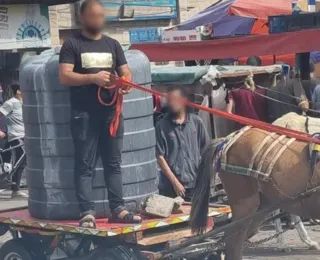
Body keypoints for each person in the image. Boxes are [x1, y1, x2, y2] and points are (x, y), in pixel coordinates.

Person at [59, 0, 141, 227]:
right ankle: (87, 212)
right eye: (93, 16)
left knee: (113, 163)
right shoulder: (72, 45)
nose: (98, 20)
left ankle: (118, 209)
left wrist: (126, 83)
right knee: (84, 165)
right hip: (84, 115)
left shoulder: (113, 44)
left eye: (100, 15)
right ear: (82, 17)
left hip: (111, 114)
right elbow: (64, 76)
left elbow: (126, 72)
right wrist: (92, 78)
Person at [156, 86, 210, 200]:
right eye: (169, 100)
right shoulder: (162, 126)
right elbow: (159, 157)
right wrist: (175, 182)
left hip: (195, 184)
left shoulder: (196, 122)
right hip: (171, 188)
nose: (172, 103)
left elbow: (206, 149)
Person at [0, 83, 26, 197]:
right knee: (20, 160)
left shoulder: (25, 103)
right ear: (18, 91)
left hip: (26, 136)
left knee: (24, 161)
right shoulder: (10, 103)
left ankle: (15, 186)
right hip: (16, 136)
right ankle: (14, 187)